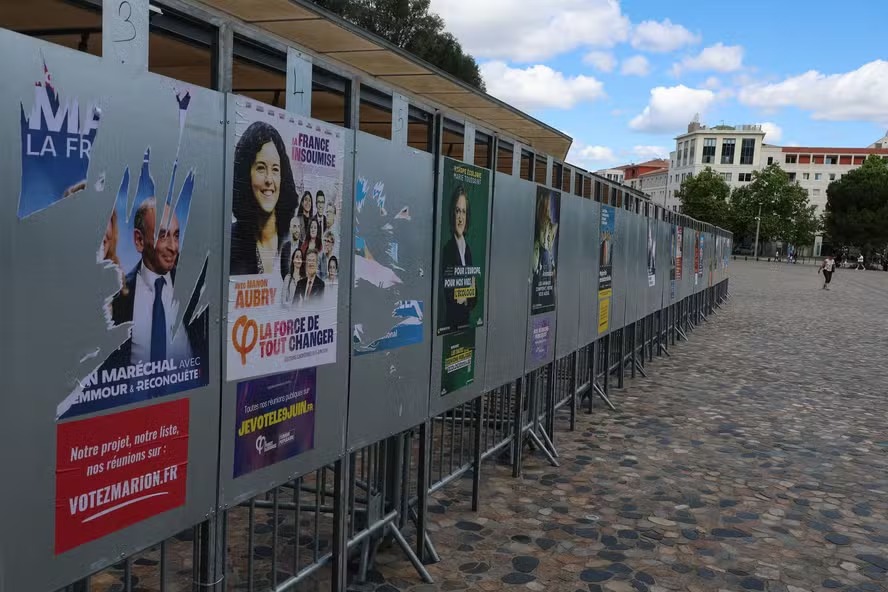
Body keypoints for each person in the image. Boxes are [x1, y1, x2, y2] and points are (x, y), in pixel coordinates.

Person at [110, 198, 198, 364]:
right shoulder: (118, 299)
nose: (173, 247)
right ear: (139, 240)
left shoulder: (195, 288)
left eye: (176, 235)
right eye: (163, 236)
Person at [230, 121, 298, 276]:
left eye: (275, 169)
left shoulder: (293, 236)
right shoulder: (230, 242)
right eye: (261, 168)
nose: (269, 179)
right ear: (246, 173)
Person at [440, 185, 475, 330]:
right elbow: (450, 295)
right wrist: (467, 293)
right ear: (452, 214)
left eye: (464, 212)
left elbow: (475, 297)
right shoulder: (447, 250)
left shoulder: (468, 251)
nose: (460, 217)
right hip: (451, 326)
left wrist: (465, 296)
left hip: (465, 325)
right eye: (457, 211)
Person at [279, 214, 303, 282]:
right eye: (294, 226)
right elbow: (283, 270)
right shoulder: (285, 247)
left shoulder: (304, 246)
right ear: (290, 229)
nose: (297, 230)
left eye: (298, 227)